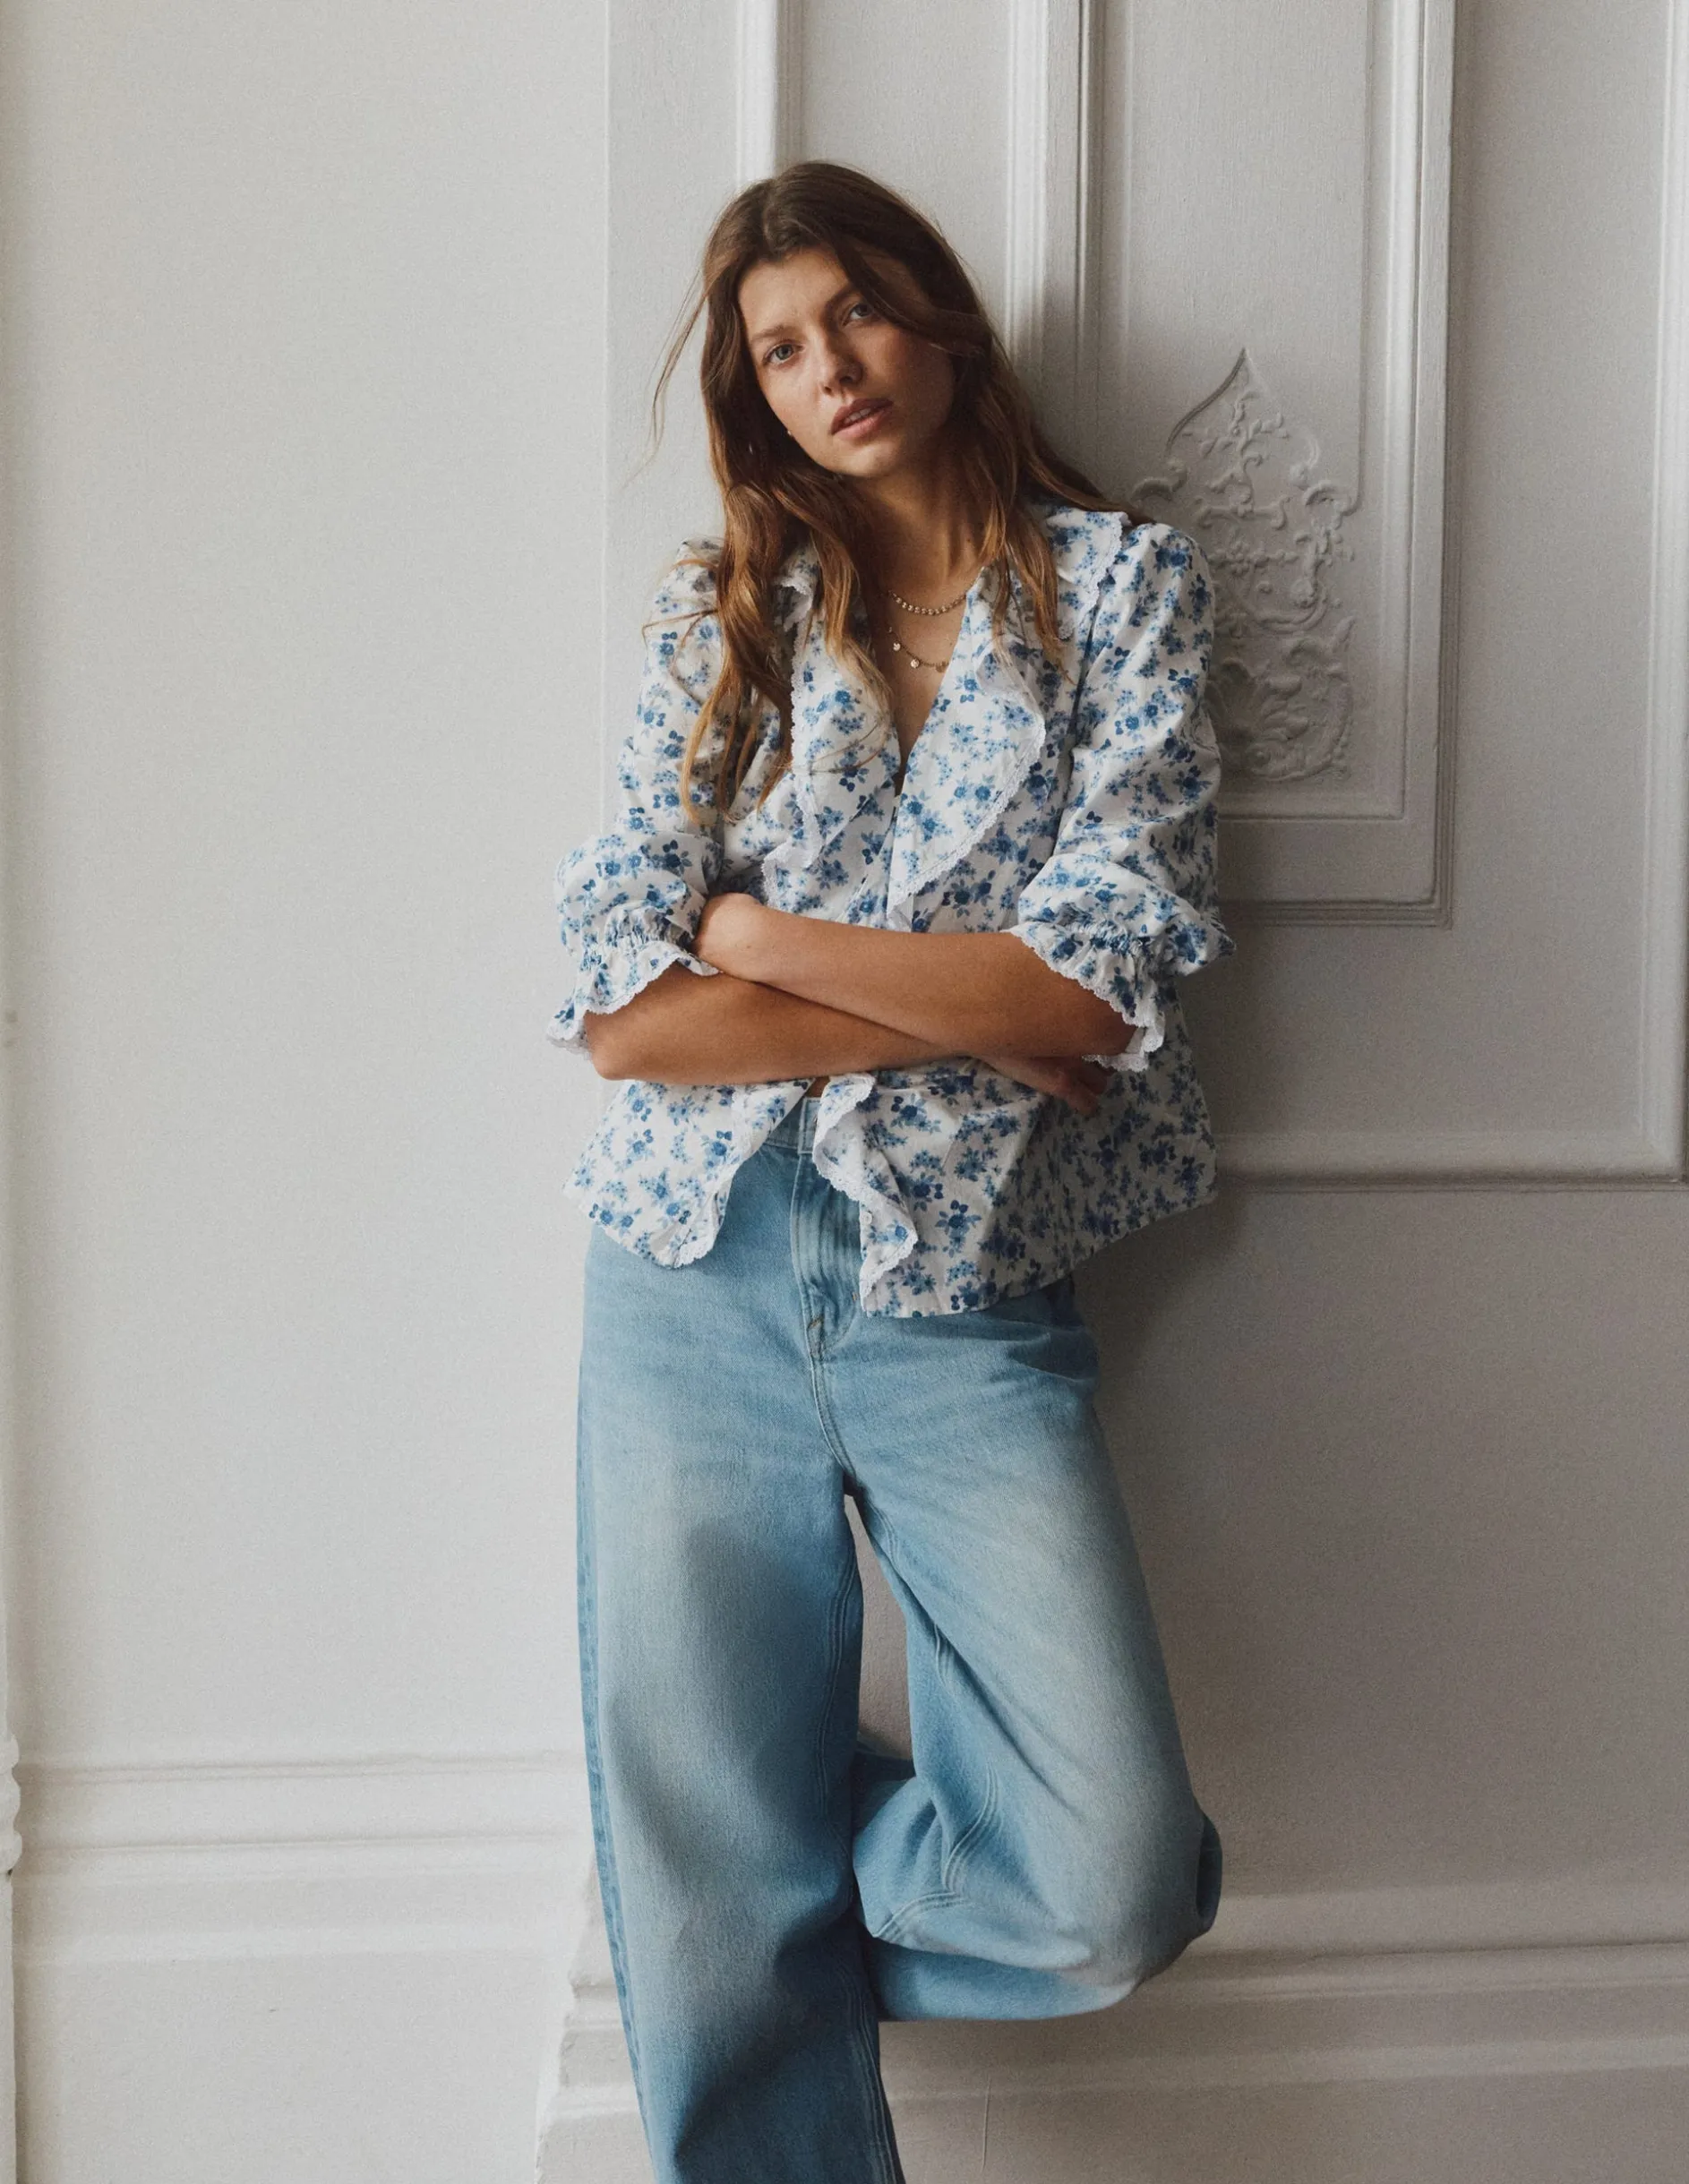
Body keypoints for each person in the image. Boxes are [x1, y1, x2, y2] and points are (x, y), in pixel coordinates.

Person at [550, 160, 1229, 2184]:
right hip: (692, 1268)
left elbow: (1093, 985)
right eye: (776, 348)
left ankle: (734, 1889)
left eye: (853, 308)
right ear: (752, 394)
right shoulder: (725, 614)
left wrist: (759, 938)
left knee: (1110, 1878)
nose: (827, 365)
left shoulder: (1118, 590)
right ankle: (715, 1898)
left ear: (934, 314)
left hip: (962, 1292)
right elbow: (620, 1012)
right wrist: (972, 1007)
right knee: (697, 1860)